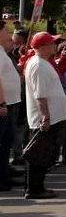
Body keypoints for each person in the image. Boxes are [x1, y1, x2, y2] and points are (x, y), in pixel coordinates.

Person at [21, 33, 66, 199]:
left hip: (50, 116)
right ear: (42, 47)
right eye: (51, 43)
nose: (54, 46)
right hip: (45, 118)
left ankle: (36, 186)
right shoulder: (38, 65)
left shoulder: (42, 63)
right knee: (38, 155)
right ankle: (34, 189)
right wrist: (45, 117)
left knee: (42, 154)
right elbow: (40, 95)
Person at [0, 23, 21, 190]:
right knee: (3, 142)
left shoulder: (3, 52)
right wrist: (1, 103)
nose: (8, 35)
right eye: (4, 31)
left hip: (8, 103)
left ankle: (5, 173)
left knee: (7, 142)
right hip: (3, 105)